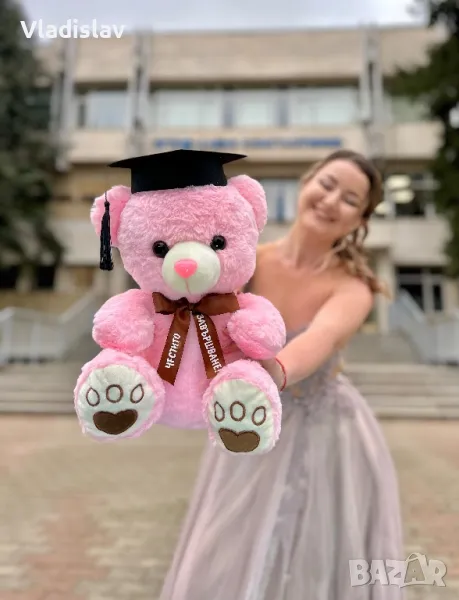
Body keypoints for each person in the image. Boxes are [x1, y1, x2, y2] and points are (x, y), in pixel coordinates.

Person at [159, 149, 405, 599]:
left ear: (360, 220)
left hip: (327, 433)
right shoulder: (244, 262)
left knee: (317, 554)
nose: (331, 201)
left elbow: (322, 338)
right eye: (327, 184)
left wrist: (270, 373)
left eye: (350, 199)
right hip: (246, 428)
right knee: (228, 546)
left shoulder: (354, 287)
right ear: (306, 182)